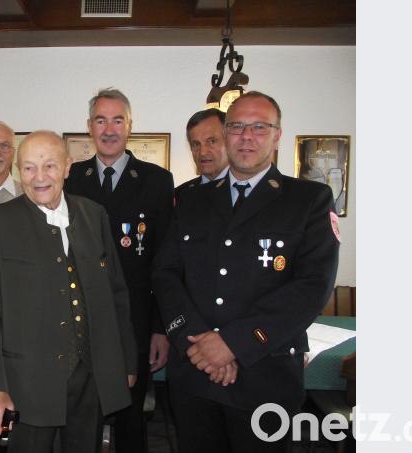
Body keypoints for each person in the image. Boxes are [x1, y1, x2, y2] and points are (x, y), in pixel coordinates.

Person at [152, 91, 340, 452]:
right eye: (237, 126)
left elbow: (313, 287)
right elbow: (166, 273)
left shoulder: (309, 200)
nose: (246, 136)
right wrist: (200, 345)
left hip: (265, 375)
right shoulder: (191, 198)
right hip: (194, 373)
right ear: (226, 134)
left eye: (259, 127)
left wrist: (233, 344)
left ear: (277, 135)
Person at [0, 130, 138, 453]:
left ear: (67, 167)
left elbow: (116, 294)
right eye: (29, 167)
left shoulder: (94, 215)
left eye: (49, 166)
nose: (39, 177)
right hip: (26, 384)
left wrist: (126, 362)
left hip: (91, 381)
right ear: (19, 171)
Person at [64, 88, 173, 453]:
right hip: (79, 320)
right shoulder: (70, 178)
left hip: (135, 322)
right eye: (100, 120)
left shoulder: (157, 181)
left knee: (131, 421)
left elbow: (164, 262)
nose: (108, 129)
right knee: (81, 417)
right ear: (89, 127)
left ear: (130, 126)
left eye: (117, 120)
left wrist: (160, 327)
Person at [174, 108, 229, 203]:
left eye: (212, 141)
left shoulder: (244, 190)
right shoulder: (180, 195)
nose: (202, 152)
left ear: (229, 142)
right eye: (196, 144)